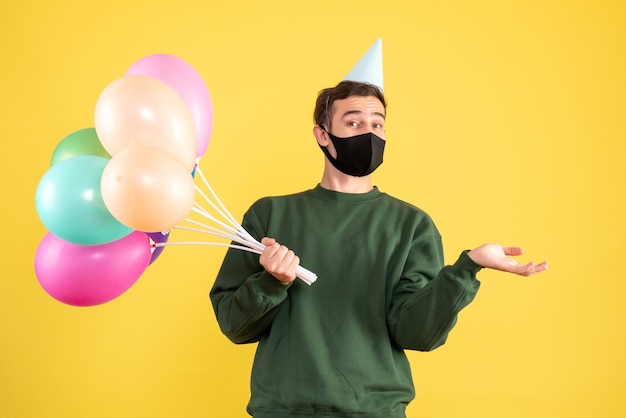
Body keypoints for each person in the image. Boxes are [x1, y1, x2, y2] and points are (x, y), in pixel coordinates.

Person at [210, 80, 548, 417]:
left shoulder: (412, 226)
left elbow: (417, 334)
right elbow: (233, 326)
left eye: (377, 124)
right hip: (283, 410)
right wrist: (272, 282)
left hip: (376, 410)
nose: (368, 133)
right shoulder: (269, 215)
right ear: (323, 134)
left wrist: (468, 267)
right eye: (353, 122)